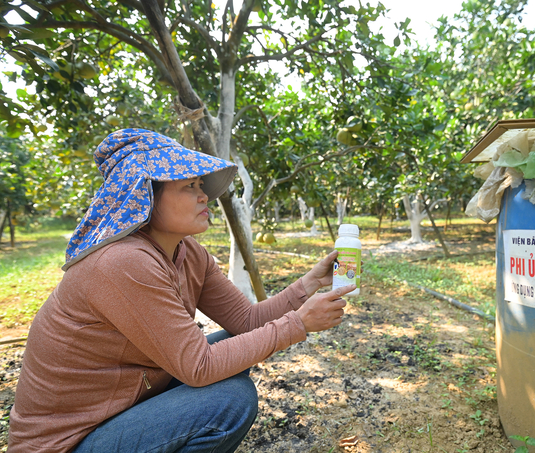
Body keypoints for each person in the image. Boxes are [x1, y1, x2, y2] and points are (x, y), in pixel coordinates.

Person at [8, 129, 355, 453]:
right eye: (189, 185)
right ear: (143, 195)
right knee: (230, 401)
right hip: (68, 442)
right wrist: (298, 324)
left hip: (119, 411)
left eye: (201, 184)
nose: (204, 195)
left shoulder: (188, 253)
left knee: (231, 353)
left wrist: (310, 284)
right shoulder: (122, 262)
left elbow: (248, 321)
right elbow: (198, 367)